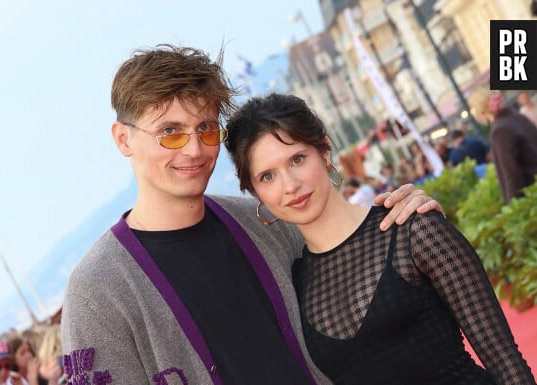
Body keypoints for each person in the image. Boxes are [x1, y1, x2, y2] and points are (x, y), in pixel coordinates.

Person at [60, 45, 441, 385]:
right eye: (171, 132)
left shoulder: (266, 222)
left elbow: (364, 275)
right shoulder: (98, 291)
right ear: (123, 138)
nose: (194, 150)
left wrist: (399, 219)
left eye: (207, 129)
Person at [224, 92, 536, 385]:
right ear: (255, 193)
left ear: (324, 151)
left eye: (296, 160)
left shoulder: (413, 229)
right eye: (267, 176)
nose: (289, 185)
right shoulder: (293, 285)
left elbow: (506, 362)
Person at [468, 87, 537, 203]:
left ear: (481, 112)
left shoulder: (500, 130)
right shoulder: (518, 117)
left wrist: (515, 211)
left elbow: (512, 175)